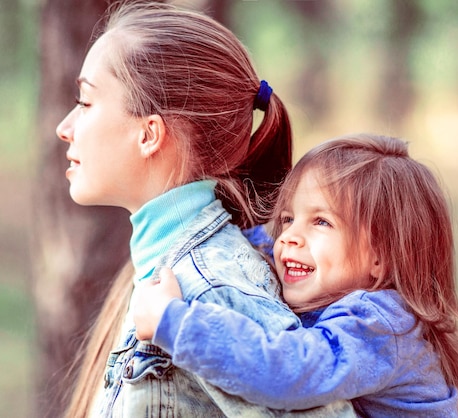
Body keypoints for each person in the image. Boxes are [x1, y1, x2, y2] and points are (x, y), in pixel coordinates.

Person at [56, 2, 355, 417]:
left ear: (149, 134)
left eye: (85, 102)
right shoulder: (166, 272)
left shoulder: (209, 288)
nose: (64, 127)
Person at [134, 134, 458, 418]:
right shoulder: (339, 288)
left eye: (321, 221)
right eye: (287, 219)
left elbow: (289, 370)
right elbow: (265, 246)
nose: (289, 237)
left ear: (380, 258)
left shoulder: (379, 324)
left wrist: (177, 323)